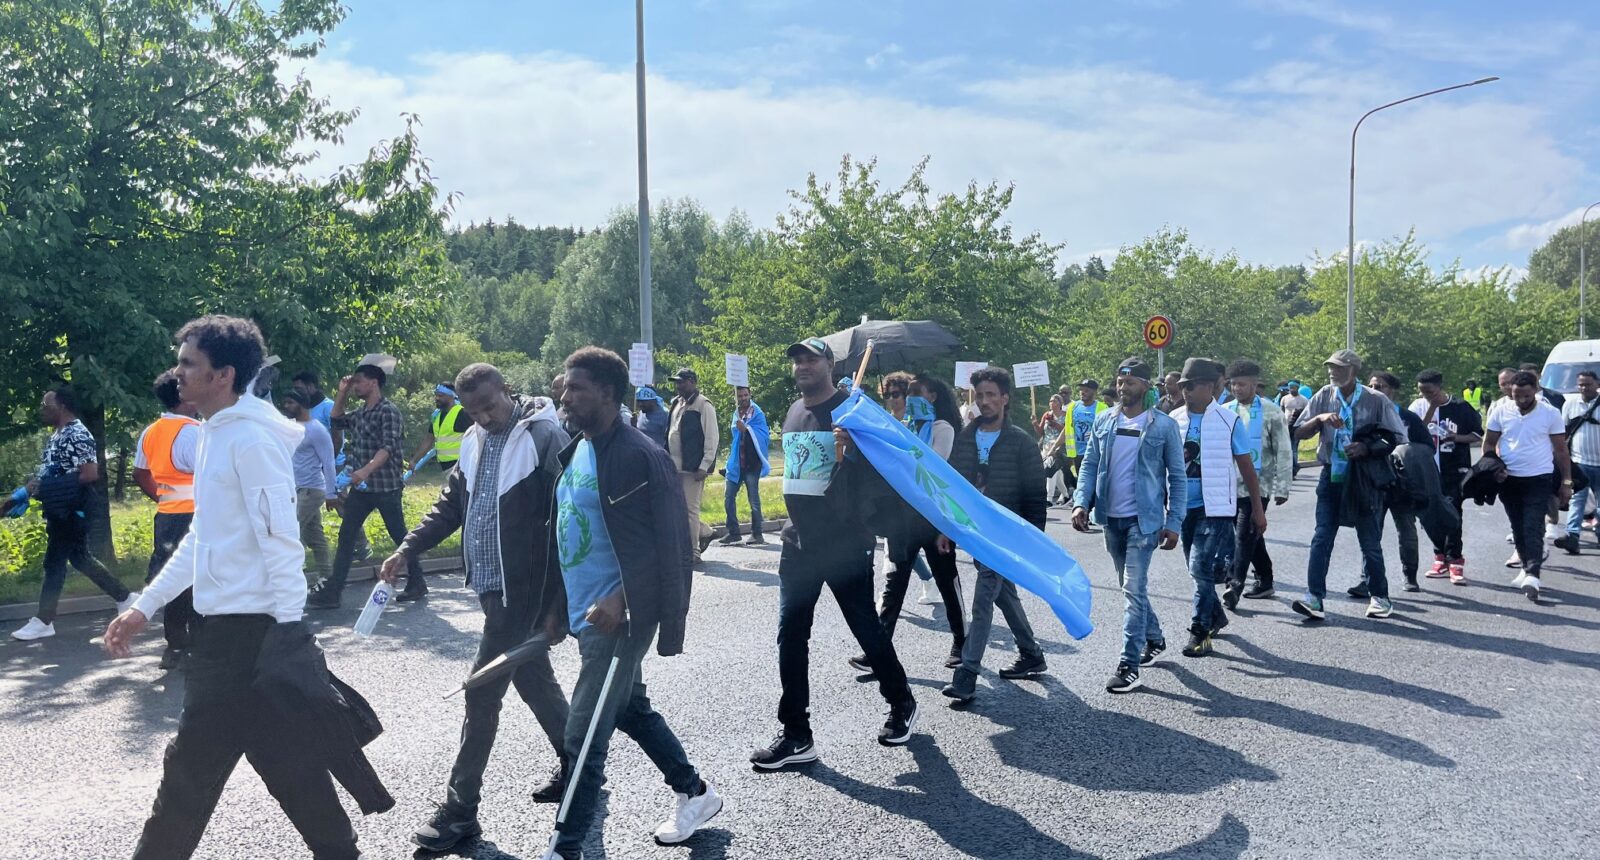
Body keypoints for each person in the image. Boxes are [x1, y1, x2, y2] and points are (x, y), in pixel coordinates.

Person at [105, 315, 366, 860]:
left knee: (188, 776)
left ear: (222, 375)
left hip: (249, 639)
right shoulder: (213, 434)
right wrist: (145, 606)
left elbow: (281, 540)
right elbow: (205, 536)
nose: (177, 372)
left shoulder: (249, 439)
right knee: (289, 763)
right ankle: (341, 852)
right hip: (228, 631)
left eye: (188, 363)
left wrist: (289, 632)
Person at [378, 364, 574, 853]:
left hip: (525, 589)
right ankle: (581, 764)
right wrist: (407, 549)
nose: (484, 416)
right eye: (474, 410)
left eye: (490, 405)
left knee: (479, 692)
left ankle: (461, 811)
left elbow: (567, 520)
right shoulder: (473, 439)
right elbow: (450, 505)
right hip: (492, 586)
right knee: (533, 679)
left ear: (506, 389)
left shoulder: (543, 436)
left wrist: (558, 603)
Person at [539, 347, 721, 858]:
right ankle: (694, 793)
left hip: (620, 617)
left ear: (608, 393)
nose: (564, 396)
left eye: (576, 388)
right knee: (629, 709)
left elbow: (672, 547)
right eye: (564, 387)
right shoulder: (576, 451)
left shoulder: (643, 456)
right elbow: (566, 536)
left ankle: (566, 844)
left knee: (585, 729)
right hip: (582, 613)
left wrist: (620, 599)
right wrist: (555, 608)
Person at [751, 337, 919, 770]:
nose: (803, 365)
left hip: (844, 541)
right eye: (798, 360)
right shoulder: (793, 411)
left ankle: (900, 701)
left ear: (829, 363)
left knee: (866, 629)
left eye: (812, 358)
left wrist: (854, 451)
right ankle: (796, 734)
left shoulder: (853, 410)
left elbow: (888, 472)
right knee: (791, 634)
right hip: (798, 542)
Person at [1071, 358, 1185, 693]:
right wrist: (1081, 501)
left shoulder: (1162, 426)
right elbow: (1090, 463)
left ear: (1146, 386)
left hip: (1145, 521)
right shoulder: (1105, 420)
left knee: (1133, 589)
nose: (1124, 388)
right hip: (1111, 519)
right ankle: (1154, 637)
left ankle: (1128, 664)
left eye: (1131, 382)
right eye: (1121, 382)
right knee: (1127, 586)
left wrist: (1174, 521)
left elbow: (1177, 479)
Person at [942, 366, 1049, 703]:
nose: (984, 402)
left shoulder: (1022, 442)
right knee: (1003, 594)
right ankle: (1031, 653)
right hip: (977, 532)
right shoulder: (965, 438)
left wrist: (1034, 540)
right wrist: (946, 529)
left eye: (991, 395)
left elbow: (1035, 495)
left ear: (1005, 399)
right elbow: (954, 488)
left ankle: (968, 671)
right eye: (979, 396)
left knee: (984, 596)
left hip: (1007, 534)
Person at [853, 373, 969, 674]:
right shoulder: (904, 427)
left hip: (933, 518)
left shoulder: (942, 428)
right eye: (905, 393)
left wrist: (900, 446)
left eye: (914, 393)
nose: (906, 398)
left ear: (932, 397)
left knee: (946, 579)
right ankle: (878, 651)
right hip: (901, 519)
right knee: (894, 584)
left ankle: (962, 642)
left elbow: (933, 466)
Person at [10, 387, 137, 642]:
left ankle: (44, 620)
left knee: (54, 562)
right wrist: (33, 487)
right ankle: (126, 597)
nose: (42, 410)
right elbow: (54, 471)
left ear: (62, 406)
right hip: (60, 507)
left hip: (72, 508)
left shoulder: (77, 433)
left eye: (47, 405)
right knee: (80, 558)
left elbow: (89, 474)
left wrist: (50, 487)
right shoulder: (58, 435)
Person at [1291, 349, 1407, 622]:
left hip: (1363, 477)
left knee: (1369, 540)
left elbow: (1398, 436)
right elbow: (1298, 432)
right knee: (1321, 537)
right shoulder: (1323, 395)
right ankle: (1314, 598)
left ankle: (1380, 597)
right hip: (1332, 475)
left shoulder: (1375, 399)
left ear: (1353, 371)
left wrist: (1366, 446)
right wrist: (1319, 419)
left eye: (1339, 368)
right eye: (1330, 367)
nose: (1332, 372)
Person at [1167, 359, 1265, 657]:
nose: (1184, 391)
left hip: (1216, 509)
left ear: (1209, 387)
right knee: (1195, 571)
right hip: (1183, 507)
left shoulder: (1228, 420)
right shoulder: (1173, 420)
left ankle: (1200, 631)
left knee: (1200, 567)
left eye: (1190, 386)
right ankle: (1217, 615)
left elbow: (1247, 469)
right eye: (1182, 386)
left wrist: (1258, 510)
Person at [308, 360, 424, 608]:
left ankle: (417, 582)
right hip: (362, 489)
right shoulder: (360, 413)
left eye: (359, 382)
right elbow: (336, 420)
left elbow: (389, 447)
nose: (355, 386)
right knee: (346, 535)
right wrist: (341, 391)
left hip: (385, 487)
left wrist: (366, 469)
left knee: (399, 536)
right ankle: (333, 593)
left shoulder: (388, 411)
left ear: (374, 383)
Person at [129, 371, 201, 668]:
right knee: (199, 579)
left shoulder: (152, 431)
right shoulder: (195, 431)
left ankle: (174, 646)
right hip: (196, 514)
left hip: (167, 515)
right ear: (184, 396)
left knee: (173, 580)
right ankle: (200, 644)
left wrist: (163, 496)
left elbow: (140, 473)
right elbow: (213, 476)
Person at [1486, 371, 1572, 601]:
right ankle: (1526, 567)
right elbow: (1489, 444)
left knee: (1533, 525)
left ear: (1535, 389)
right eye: (1516, 395)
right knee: (1518, 527)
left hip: (1539, 478)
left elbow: (1562, 451)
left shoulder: (1550, 413)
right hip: (1509, 479)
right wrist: (1496, 468)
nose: (1521, 400)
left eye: (1525, 395)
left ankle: (1533, 575)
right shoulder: (1500, 411)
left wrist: (1566, 482)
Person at [1218, 360, 1292, 605]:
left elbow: (1283, 450)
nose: (1237, 389)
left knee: (1244, 534)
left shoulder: (1272, 412)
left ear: (1254, 384)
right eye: (1233, 384)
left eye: (1242, 384)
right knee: (1251, 535)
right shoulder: (1225, 410)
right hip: (1230, 485)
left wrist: (1282, 486)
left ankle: (1234, 585)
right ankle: (1265, 579)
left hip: (1258, 486)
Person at [1357, 372, 1432, 595]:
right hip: (1374, 483)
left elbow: (1427, 449)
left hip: (1402, 485)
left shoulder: (1408, 418)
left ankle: (1410, 576)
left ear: (1392, 391)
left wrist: (1405, 458)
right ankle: (1366, 580)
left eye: (1380, 386)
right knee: (1370, 533)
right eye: (1370, 386)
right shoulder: (1364, 416)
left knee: (1406, 530)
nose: (1374, 390)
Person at [1411, 369, 1483, 583]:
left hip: (1454, 470)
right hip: (1426, 470)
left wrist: (1456, 437)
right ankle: (1439, 556)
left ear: (1440, 387)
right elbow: (1415, 433)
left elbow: (1477, 435)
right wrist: (1431, 408)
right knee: (1429, 515)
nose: (1425, 395)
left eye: (1430, 391)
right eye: (1422, 391)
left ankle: (1455, 560)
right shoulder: (1417, 406)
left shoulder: (1461, 407)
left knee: (1453, 514)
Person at [282, 389, 337, 588]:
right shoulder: (291, 427)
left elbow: (328, 463)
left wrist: (332, 493)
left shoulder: (316, 429)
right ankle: (327, 577)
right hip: (296, 489)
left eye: (290, 403)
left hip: (312, 489)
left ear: (302, 405)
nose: (285, 407)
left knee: (290, 532)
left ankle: (290, 581)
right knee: (315, 536)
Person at [667, 368, 719, 563]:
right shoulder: (676, 403)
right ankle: (705, 531)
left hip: (693, 468)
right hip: (674, 466)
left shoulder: (703, 405)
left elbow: (712, 438)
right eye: (677, 382)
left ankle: (693, 553)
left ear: (692, 382)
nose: (678, 386)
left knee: (690, 510)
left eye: (681, 382)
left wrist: (704, 466)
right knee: (678, 509)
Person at [720, 385, 771, 546]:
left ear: (750, 394)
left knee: (753, 499)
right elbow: (735, 435)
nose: (743, 398)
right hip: (737, 463)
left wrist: (747, 429)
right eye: (739, 396)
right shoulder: (736, 413)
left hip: (751, 464)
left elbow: (763, 435)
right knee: (728, 498)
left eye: (745, 395)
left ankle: (757, 533)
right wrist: (739, 429)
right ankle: (733, 532)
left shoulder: (758, 413)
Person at [1559, 370, 1600, 554]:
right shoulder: (1570, 404)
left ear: (1597, 384)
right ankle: (1572, 536)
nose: (1584, 388)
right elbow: (1562, 431)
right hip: (1579, 461)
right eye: (1581, 384)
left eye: (1588, 384)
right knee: (1577, 500)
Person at [409, 382, 473, 473]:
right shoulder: (437, 415)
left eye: (441, 395)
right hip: (445, 466)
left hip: (461, 466)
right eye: (436, 395)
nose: (437, 398)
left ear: (451, 396)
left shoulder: (461, 413)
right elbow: (429, 439)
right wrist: (414, 460)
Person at [1037, 393, 1070, 505]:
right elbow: (1041, 431)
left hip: (1058, 447)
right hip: (1046, 446)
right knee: (1056, 473)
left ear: (1060, 403)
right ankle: (1066, 494)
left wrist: (1055, 424)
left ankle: (1049, 499)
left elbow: (1067, 431)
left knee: (1050, 471)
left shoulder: (1065, 415)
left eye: (1054, 401)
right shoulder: (1047, 415)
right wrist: (1034, 423)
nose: (1051, 403)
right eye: (1050, 401)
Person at [632, 385, 671, 450]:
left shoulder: (665, 415)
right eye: (639, 401)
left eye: (643, 401)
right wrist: (634, 427)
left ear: (653, 401)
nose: (640, 404)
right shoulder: (642, 412)